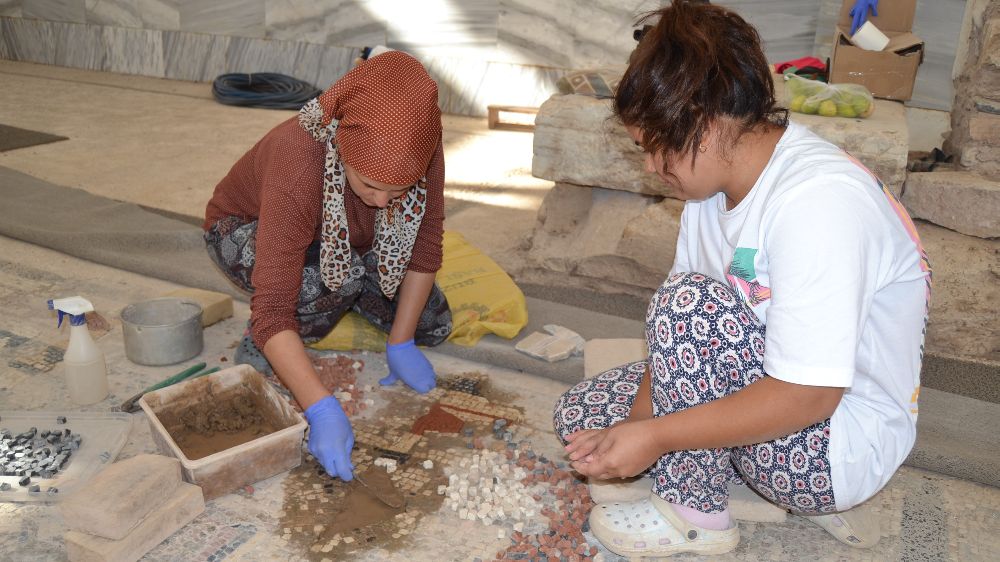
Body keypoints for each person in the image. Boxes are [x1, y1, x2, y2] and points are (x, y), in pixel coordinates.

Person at [552, 1, 930, 557]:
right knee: (583, 419)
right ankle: (706, 465)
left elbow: (809, 395)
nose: (651, 169)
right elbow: (680, 348)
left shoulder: (818, 204)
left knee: (686, 309)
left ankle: (696, 519)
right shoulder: (710, 192)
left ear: (704, 126)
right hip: (763, 379)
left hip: (830, 444)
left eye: (656, 149)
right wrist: (631, 431)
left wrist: (655, 438)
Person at [204, 51, 453, 483]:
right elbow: (273, 308)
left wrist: (402, 340)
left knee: (433, 320)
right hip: (246, 230)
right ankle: (274, 342)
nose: (382, 201)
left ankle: (350, 294)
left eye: (400, 191)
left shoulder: (420, 143)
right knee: (323, 286)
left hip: (348, 235)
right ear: (343, 145)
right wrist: (320, 407)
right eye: (371, 185)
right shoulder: (298, 160)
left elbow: (425, 246)